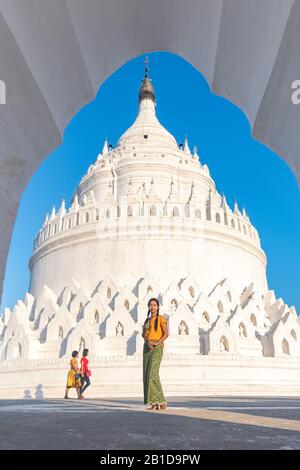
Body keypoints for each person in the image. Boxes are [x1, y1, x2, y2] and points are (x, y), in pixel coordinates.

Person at [142, 297, 168, 411]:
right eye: (150, 305)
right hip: (147, 347)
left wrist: (157, 343)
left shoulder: (161, 319)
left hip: (157, 347)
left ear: (158, 307)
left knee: (153, 372)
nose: (152, 307)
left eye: (154, 305)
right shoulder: (147, 321)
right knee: (147, 374)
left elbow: (166, 334)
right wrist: (147, 342)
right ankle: (153, 403)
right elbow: (144, 335)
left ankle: (161, 401)